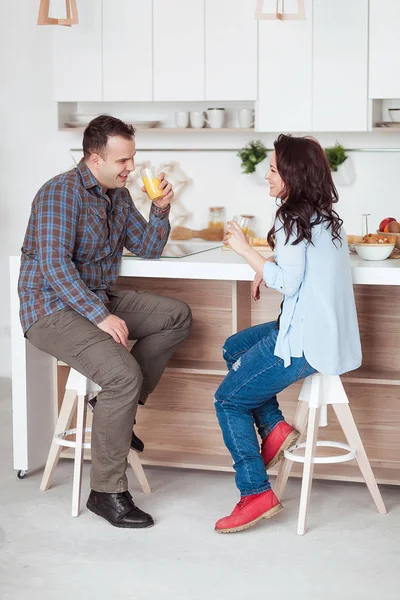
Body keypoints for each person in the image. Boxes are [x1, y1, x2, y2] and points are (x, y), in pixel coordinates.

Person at [18, 115, 192, 529]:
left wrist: (162, 208)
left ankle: (116, 415)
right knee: (122, 373)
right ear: (95, 159)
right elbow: (56, 267)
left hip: (95, 298)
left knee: (176, 316)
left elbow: (148, 248)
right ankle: (106, 492)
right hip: (50, 309)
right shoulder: (60, 193)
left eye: (132, 159)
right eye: (123, 161)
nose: (130, 168)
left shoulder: (118, 194)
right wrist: (101, 316)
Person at [214, 134, 361, 534]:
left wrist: (248, 253)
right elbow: (300, 273)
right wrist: (269, 268)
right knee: (233, 348)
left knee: (228, 400)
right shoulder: (326, 218)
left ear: (294, 174)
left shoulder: (290, 218)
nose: (267, 175)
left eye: (275, 169)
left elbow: (289, 283)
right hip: (318, 333)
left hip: (303, 342)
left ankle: (255, 493)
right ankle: (276, 428)